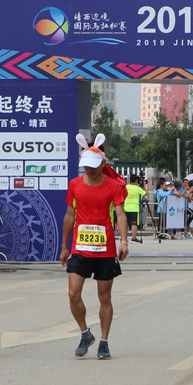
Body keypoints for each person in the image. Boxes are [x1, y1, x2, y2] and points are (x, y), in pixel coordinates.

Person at [59, 133, 129, 360]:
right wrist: (64, 246)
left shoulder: (113, 186)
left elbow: (120, 213)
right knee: (72, 293)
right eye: (85, 166)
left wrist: (124, 240)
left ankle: (104, 342)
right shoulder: (75, 185)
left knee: (104, 297)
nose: (88, 170)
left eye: (93, 166)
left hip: (105, 249)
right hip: (80, 248)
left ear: (102, 164)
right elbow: (70, 215)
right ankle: (85, 333)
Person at [124, 174, 146, 242]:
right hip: (134, 208)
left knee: (125, 224)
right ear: (136, 180)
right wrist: (144, 184)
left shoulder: (125, 187)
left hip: (126, 207)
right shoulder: (138, 188)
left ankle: (124, 238)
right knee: (134, 224)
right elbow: (145, 193)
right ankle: (134, 238)